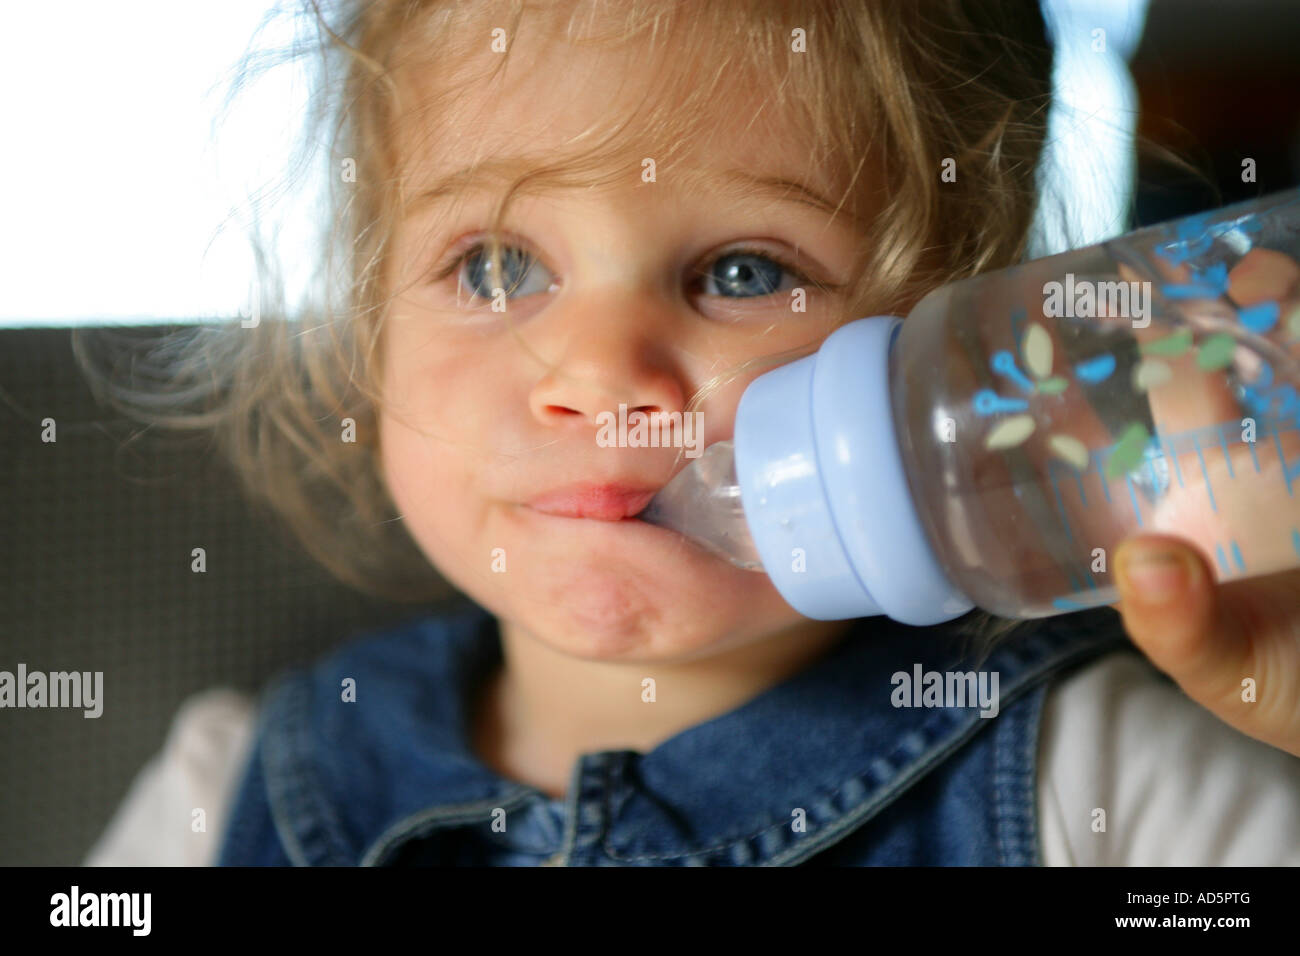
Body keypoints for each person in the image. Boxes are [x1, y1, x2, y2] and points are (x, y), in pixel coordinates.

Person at [83, 0, 1300, 866]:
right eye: (498, 264)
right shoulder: (227, 792)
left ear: (960, 332)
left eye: (740, 268)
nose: (602, 376)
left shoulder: (1101, 781)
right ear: (366, 317)